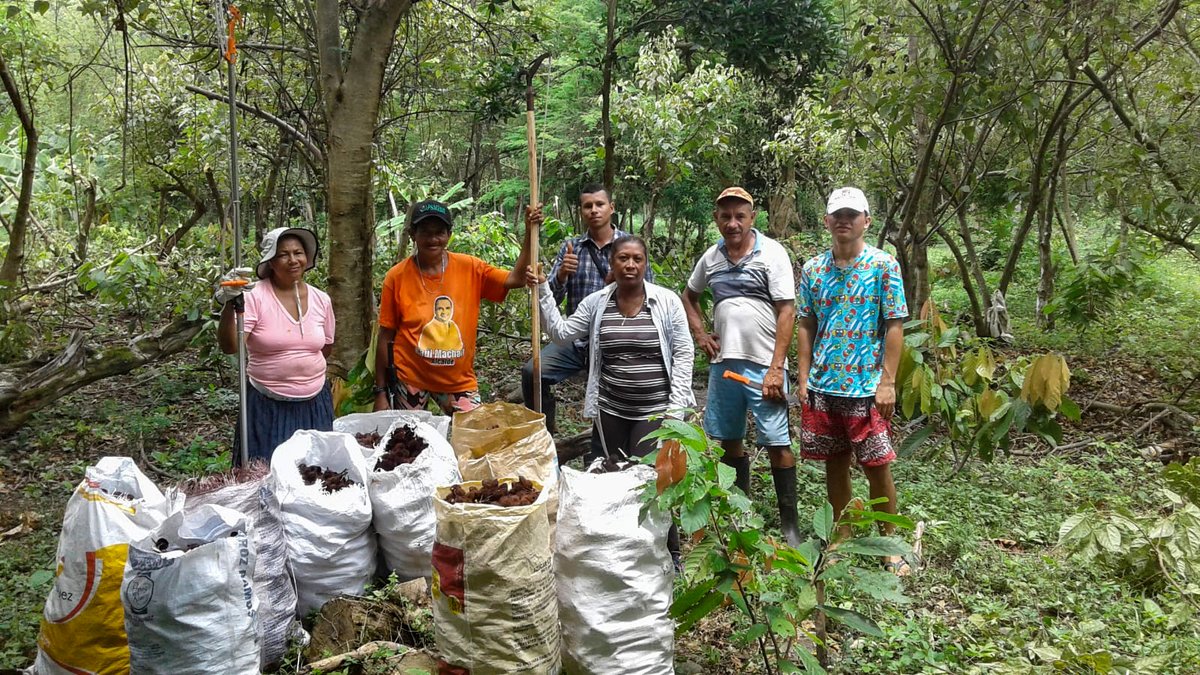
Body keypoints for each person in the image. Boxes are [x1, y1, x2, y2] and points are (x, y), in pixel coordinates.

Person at [530, 235, 693, 567]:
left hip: (654, 411)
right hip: (610, 410)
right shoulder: (597, 303)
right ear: (612, 264)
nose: (630, 265)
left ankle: (667, 555)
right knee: (607, 481)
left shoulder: (666, 302)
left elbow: (683, 352)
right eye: (622, 259)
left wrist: (675, 411)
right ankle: (614, 551)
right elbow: (561, 334)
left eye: (637, 259)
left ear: (645, 264)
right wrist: (543, 291)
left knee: (653, 481)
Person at [796, 186, 910, 574]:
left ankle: (890, 546)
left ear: (866, 220)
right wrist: (804, 375)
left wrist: (888, 381)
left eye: (852, 214)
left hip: (866, 387)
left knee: (878, 465)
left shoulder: (883, 266)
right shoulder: (813, 269)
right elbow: (806, 324)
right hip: (825, 386)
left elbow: (894, 324)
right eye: (837, 215)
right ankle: (841, 537)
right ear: (826, 221)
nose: (843, 221)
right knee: (835, 463)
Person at [682, 187, 800, 545]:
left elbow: (787, 311)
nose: (732, 224)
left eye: (740, 216)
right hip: (723, 365)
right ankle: (742, 514)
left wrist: (777, 367)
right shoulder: (711, 257)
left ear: (752, 218)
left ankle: (790, 527)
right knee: (730, 440)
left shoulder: (772, 254)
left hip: (764, 365)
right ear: (717, 219)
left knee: (777, 442)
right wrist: (701, 334)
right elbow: (689, 296)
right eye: (725, 217)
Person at [374, 199, 536, 415]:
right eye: (425, 232)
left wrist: (529, 232)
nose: (433, 239)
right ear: (413, 234)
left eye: (439, 232)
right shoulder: (396, 277)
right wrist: (381, 392)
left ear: (449, 235)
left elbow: (516, 279)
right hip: (410, 378)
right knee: (410, 440)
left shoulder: (470, 268)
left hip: (458, 382)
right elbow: (385, 336)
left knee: (475, 435)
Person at [521, 183, 651, 436]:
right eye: (587, 206)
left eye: (599, 204)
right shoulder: (573, 248)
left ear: (611, 208)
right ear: (581, 211)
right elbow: (550, 301)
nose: (594, 210)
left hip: (617, 338)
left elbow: (651, 293)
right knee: (533, 371)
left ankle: (608, 440)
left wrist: (618, 287)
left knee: (614, 392)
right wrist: (560, 275)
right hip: (577, 339)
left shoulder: (629, 248)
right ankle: (544, 432)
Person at [215, 227, 335, 462]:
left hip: (315, 403)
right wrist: (230, 304)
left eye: (298, 253)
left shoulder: (322, 299)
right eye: (283, 254)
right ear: (270, 261)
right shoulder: (254, 297)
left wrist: (302, 370)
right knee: (265, 474)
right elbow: (231, 346)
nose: (293, 260)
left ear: (307, 257)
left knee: (316, 472)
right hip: (267, 405)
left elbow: (326, 347)